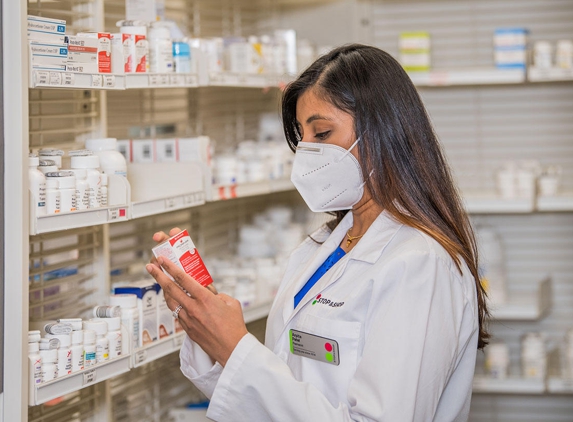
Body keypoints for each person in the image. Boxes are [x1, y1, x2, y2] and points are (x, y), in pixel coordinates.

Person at [146, 44, 489, 421]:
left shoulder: (421, 265)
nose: (306, 152)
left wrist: (235, 348)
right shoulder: (321, 247)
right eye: (302, 137)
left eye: (322, 133)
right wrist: (208, 325)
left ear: (383, 132)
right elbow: (275, 393)